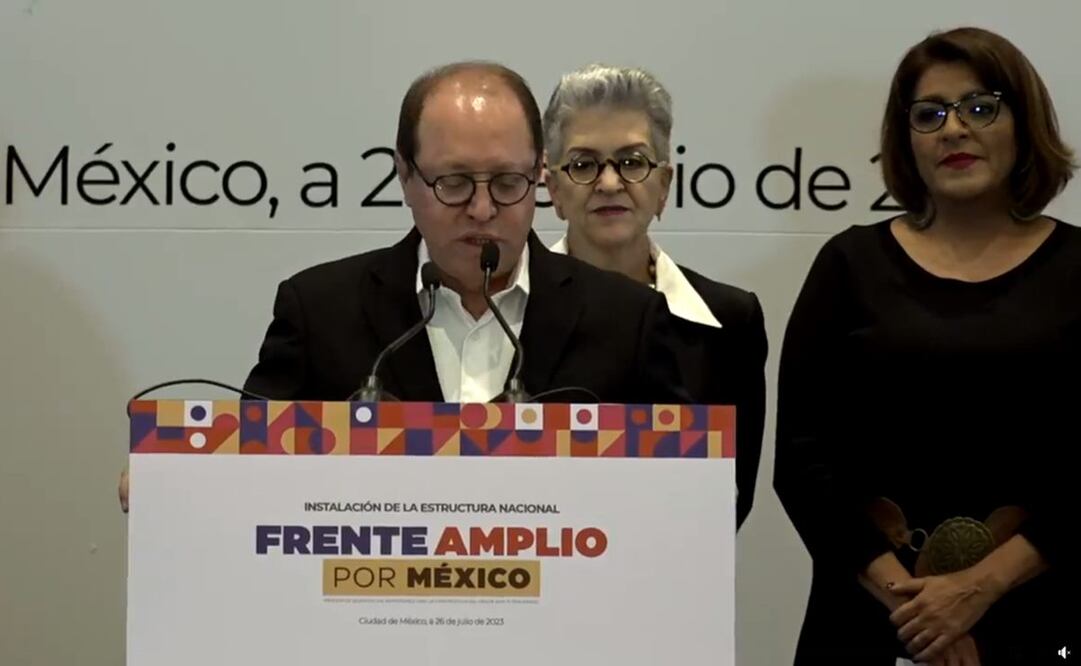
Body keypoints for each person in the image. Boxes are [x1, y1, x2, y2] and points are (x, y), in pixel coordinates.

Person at [119, 60, 692, 511]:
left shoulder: (628, 319)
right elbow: (249, 461)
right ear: (404, 176)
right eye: (454, 183)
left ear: (540, 172)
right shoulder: (321, 311)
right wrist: (178, 482)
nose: (483, 208)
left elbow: (680, 495)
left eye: (509, 182)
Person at [774, 27, 1077, 665]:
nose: (954, 129)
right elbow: (802, 462)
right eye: (929, 114)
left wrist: (976, 589)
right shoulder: (848, 264)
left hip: (1044, 621)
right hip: (867, 622)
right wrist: (917, 610)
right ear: (906, 139)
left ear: (1023, 123)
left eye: (979, 106)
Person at [542, 64, 767, 528]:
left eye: (632, 162)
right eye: (584, 164)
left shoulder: (729, 320)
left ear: (664, 186)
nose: (609, 184)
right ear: (554, 189)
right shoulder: (510, 310)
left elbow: (731, 498)